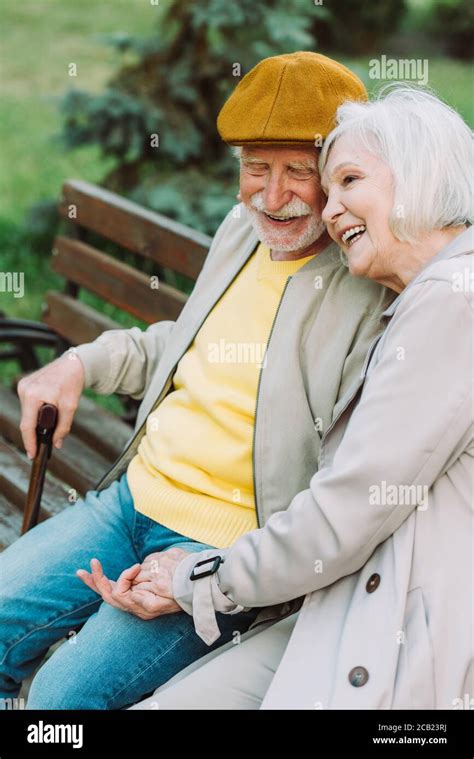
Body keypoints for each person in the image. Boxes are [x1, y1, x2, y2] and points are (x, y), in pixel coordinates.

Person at [0, 52, 393, 710]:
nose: (271, 197)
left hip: (217, 551)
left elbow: (344, 489)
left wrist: (206, 578)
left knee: (59, 698)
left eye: (298, 170)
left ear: (341, 169)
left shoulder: (368, 280)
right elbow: (181, 345)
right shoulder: (243, 231)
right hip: (127, 502)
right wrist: (81, 362)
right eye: (255, 168)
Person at [131, 86, 473, 710]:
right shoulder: (427, 294)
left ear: (421, 174)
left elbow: (344, 513)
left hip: (405, 633)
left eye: (348, 180)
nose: (331, 206)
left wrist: (198, 577)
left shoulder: (456, 302)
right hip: (348, 598)